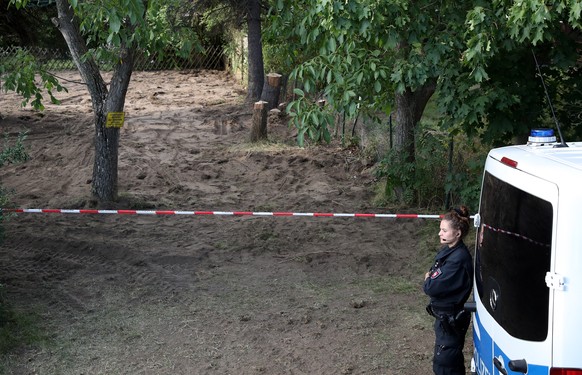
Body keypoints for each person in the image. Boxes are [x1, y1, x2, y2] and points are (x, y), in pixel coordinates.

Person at [423, 206, 474, 375]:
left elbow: (430, 286)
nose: (440, 233)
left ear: (457, 233)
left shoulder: (458, 259)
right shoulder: (450, 251)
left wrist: (429, 278)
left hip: (451, 319)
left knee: (446, 364)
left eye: (444, 230)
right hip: (445, 318)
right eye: (440, 229)